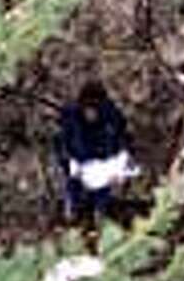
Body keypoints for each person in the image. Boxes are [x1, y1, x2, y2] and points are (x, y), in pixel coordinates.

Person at [56, 80, 134, 224]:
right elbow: (61, 143)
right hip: (78, 159)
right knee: (74, 186)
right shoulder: (70, 115)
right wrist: (68, 163)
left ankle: (99, 213)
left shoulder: (113, 115)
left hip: (102, 160)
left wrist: (120, 167)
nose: (90, 112)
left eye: (94, 107)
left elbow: (123, 140)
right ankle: (72, 211)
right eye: (87, 107)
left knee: (102, 190)